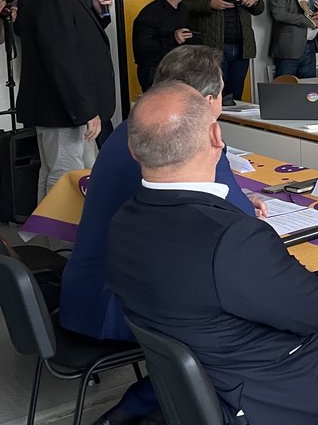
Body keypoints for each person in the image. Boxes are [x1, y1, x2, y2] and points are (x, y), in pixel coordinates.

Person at [107, 82, 318, 425]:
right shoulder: (231, 237)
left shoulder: (124, 221)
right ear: (217, 138)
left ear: (134, 149)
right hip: (279, 398)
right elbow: (315, 310)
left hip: (207, 389)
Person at [61, 46, 263, 425]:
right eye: (221, 92)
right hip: (121, 307)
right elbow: (237, 216)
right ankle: (140, 408)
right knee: (231, 321)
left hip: (87, 290)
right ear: (204, 101)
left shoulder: (136, 128)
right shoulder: (191, 139)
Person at [18, 0, 115, 197]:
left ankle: (60, 236)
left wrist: (97, 13)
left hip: (72, 106)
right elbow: (60, 58)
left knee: (79, 171)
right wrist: (85, 110)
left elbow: (78, 40)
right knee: (66, 176)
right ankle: (62, 240)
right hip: (62, 109)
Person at [188, 0, 264, 101]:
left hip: (242, 46)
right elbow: (184, 7)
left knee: (236, 95)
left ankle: (234, 126)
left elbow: (259, 10)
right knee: (212, 94)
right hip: (212, 46)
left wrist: (255, 0)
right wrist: (209, 4)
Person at [132, 0, 194, 91]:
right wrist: (173, 39)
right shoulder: (149, 14)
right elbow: (143, 49)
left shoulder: (184, 10)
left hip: (180, 70)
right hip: (155, 72)